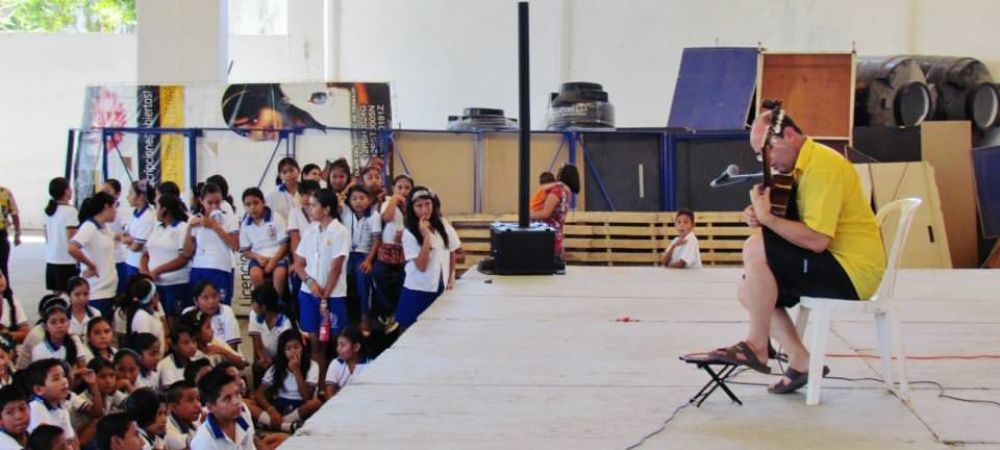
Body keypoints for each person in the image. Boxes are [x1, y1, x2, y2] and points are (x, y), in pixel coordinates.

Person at [707, 107, 886, 394]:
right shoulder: (800, 167)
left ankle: (756, 345)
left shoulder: (823, 166)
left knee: (755, 247)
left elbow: (816, 240)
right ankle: (800, 361)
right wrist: (761, 216)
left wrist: (768, 220)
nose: (766, 161)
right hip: (828, 262)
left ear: (789, 136)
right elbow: (792, 225)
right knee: (748, 289)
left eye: (766, 152)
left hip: (852, 271)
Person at [292, 188, 350, 381]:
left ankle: (336, 381)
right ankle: (320, 384)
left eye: (313, 205)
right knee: (315, 341)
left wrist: (325, 294)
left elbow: (336, 267)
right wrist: (309, 282)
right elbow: (298, 263)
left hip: (333, 295)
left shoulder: (340, 231)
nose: (309, 208)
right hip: (309, 294)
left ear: (326, 209)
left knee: (335, 341)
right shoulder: (310, 230)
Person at [394, 188, 460, 331]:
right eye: (419, 206)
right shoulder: (409, 232)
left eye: (427, 204)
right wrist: (426, 237)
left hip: (439, 286)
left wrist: (449, 279)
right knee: (410, 332)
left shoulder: (442, 224)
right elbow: (421, 266)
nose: (424, 209)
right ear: (412, 208)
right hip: (417, 289)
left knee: (436, 331)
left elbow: (452, 251)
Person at [254, 329, 321, 432]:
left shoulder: (313, 365)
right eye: (288, 348)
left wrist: (296, 370)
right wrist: (271, 411)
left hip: (300, 407)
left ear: (302, 347)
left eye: (296, 347)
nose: (293, 352)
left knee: (315, 403)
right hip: (279, 405)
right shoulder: (276, 367)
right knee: (246, 403)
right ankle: (285, 426)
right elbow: (259, 394)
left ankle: (275, 423)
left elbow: (307, 397)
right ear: (282, 351)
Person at [186, 182, 239, 306]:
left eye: (218, 202)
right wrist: (189, 229)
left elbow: (235, 245)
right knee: (199, 308)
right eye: (210, 203)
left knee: (220, 307)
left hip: (220, 267)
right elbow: (187, 252)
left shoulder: (228, 218)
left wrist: (215, 226)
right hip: (199, 267)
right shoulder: (196, 219)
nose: (214, 206)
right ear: (201, 201)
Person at [141, 194, 192, 320]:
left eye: (157, 206)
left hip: (175, 284)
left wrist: (158, 271)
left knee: (174, 321)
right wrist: (145, 274)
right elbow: (145, 254)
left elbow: (184, 258)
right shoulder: (157, 228)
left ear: (164, 209)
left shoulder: (181, 228)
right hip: (155, 284)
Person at [68, 192, 119, 317]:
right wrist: (90, 265)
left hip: (109, 289)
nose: (116, 212)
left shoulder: (105, 227)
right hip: (96, 291)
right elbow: (72, 247)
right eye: (115, 207)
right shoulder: (89, 227)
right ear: (107, 207)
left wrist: (124, 238)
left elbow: (112, 237)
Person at [373, 174, 413, 324]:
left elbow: (414, 227)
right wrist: (395, 201)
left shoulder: (413, 205)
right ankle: (388, 311)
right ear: (393, 188)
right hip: (387, 250)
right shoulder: (387, 202)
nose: (403, 191)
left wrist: (405, 234)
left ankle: (400, 309)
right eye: (399, 187)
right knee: (379, 272)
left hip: (405, 250)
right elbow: (387, 218)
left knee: (405, 275)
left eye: (407, 188)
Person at [341, 186, 381, 328]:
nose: (358, 202)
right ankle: (342, 317)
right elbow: (338, 199)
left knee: (363, 278)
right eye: (355, 199)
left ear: (369, 200)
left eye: (362, 198)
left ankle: (365, 315)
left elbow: (376, 241)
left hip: (364, 255)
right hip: (346, 254)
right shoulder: (345, 214)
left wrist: (369, 261)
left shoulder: (374, 216)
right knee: (338, 278)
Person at [239, 188, 290, 300]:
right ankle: (262, 302)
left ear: (263, 202)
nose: (252, 207)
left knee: (279, 274)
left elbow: (285, 244)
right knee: (255, 274)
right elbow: (246, 251)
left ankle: (277, 303)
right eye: (248, 204)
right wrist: (257, 257)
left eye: (256, 203)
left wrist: (273, 261)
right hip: (259, 258)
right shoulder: (245, 225)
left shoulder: (276, 217)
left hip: (277, 256)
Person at [191, 369, 255, 449]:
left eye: (237, 394)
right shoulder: (204, 442)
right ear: (210, 407)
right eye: (227, 398)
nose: (236, 402)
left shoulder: (243, 419)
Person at [529, 164, 580, 259]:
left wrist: (528, 215)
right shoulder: (567, 191)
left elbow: (545, 213)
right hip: (556, 237)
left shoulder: (558, 190)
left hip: (546, 238)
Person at [26, 359, 78, 449]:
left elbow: (72, 440)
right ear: (39, 389)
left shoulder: (60, 407)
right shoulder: (36, 408)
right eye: (56, 379)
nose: (64, 381)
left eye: (64, 376)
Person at [247, 285, 292, 380]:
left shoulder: (285, 324)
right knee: (257, 367)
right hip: (265, 357)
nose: (252, 305)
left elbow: (285, 351)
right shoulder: (254, 315)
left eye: (253, 302)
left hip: (282, 359)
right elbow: (257, 345)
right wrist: (262, 359)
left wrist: (273, 363)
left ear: (263, 307)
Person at [44, 177, 80, 294]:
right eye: (69, 188)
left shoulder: (47, 211)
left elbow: (47, 237)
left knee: (56, 295)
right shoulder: (71, 211)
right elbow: (72, 239)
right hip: (67, 260)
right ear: (65, 191)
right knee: (73, 294)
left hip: (51, 258)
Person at [120, 181, 157, 292]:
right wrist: (129, 240)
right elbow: (125, 235)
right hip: (129, 261)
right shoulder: (134, 213)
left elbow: (136, 246)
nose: (128, 197)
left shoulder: (148, 217)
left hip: (139, 265)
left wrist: (128, 241)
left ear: (141, 197)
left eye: (131, 193)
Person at [323, 325, 368, 399]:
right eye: (338, 345)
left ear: (356, 347)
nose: (338, 349)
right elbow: (329, 393)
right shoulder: (335, 363)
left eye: (342, 345)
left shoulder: (369, 365)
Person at [163, 381, 200, 450]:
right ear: (173, 407)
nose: (198, 405)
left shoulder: (197, 422)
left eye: (198, 399)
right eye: (190, 401)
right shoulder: (166, 428)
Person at [0, 185, 21, 301]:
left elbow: (14, 213)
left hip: (1, 235)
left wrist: (17, 233)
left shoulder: (5, 192)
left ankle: (7, 297)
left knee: (3, 267)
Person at [0, 272, 28, 343]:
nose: (0, 281)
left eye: (0, 276)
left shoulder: (12, 303)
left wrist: (7, 335)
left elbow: (26, 333)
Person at [0, 385, 29, 449]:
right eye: (9, 412)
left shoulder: (32, 437)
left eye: (22, 408)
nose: (19, 416)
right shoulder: (3, 443)